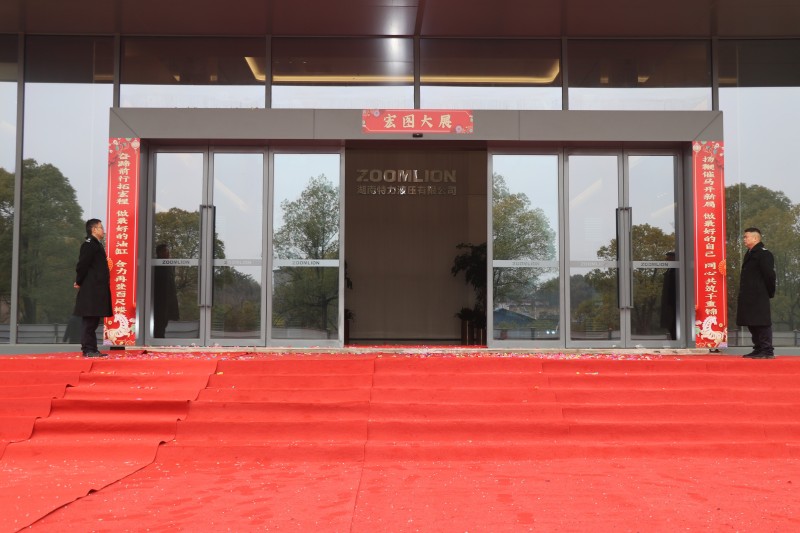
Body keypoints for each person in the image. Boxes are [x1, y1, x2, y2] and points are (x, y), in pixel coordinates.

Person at [73, 218, 113, 357]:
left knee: (94, 320)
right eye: (101, 227)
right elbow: (82, 265)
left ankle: (92, 349)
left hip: (96, 289)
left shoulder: (96, 244)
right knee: (89, 321)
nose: (103, 231)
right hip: (91, 289)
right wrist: (79, 281)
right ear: (94, 229)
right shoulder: (89, 245)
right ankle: (88, 349)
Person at [736, 227, 776, 359]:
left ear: (755, 238)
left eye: (746, 237)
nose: (744, 239)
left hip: (759, 294)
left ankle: (767, 350)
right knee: (751, 321)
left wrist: (768, 292)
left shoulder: (764, 254)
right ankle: (758, 348)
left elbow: (770, 275)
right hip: (748, 295)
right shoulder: (749, 253)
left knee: (762, 322)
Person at [153, 243, 180, 338]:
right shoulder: (155, 264)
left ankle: (160, 338)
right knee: (159, 321)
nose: (167, 253)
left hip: (168, 297)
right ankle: (158, 339)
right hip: (159, 299)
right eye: (165, 251)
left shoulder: (169, 265)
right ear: (159, 253)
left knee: (164, 321)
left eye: (167, 251)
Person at [660, 251, 677, 340]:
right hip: (669, 302)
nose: (666, 260)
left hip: (674, 302)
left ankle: (676, 340)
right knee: (670, 323)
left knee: (673, 322)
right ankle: (674, 340)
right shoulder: (669, 270)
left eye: (668, 258)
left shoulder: (677, 270)